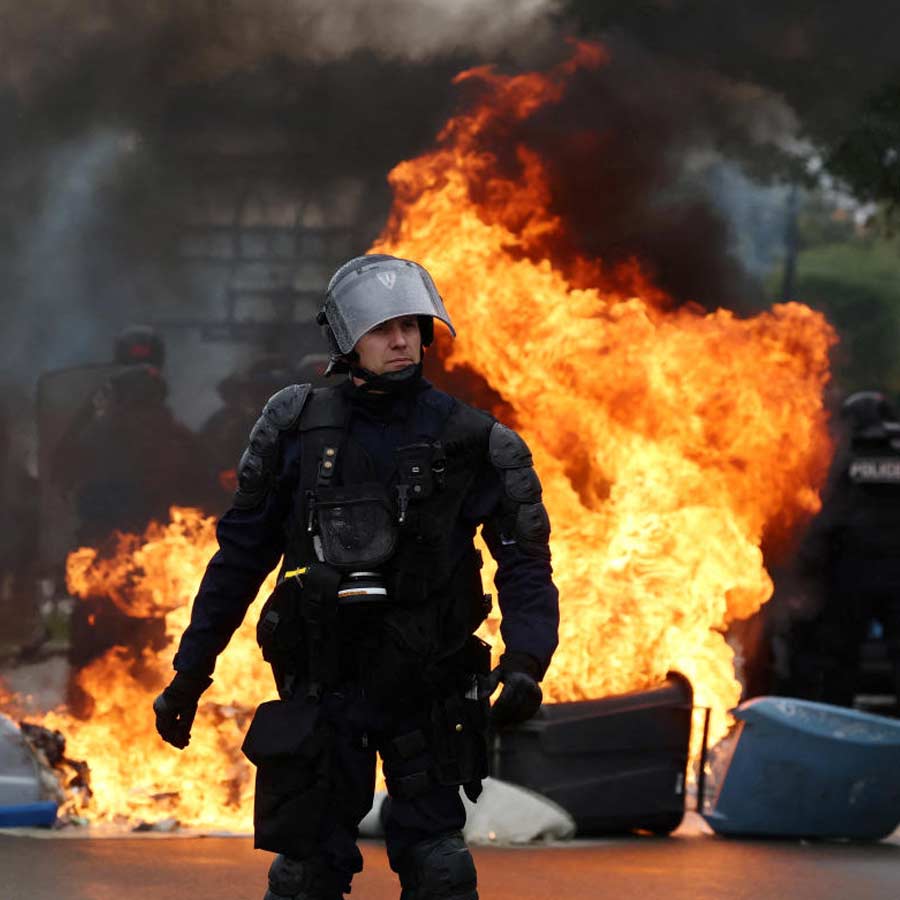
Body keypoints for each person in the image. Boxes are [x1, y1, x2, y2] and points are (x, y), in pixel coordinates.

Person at [153, 254, 560, 900]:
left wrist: (527, 662)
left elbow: (524, 562)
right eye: (381, 328)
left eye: (410, 325)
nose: (401, 340)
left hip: (426, 688)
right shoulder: (296, 428)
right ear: (347, 337)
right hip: (323, 687)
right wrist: (189, 674)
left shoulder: (471, 440)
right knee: (305, 874)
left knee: (439, 869)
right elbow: (239, 560)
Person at [788, 390, 900, 712]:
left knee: (839, 665)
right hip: (893, 584)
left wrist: (805, 575)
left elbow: (823, 522)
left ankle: (839, 729)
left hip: (850, 579)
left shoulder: (841, 462)